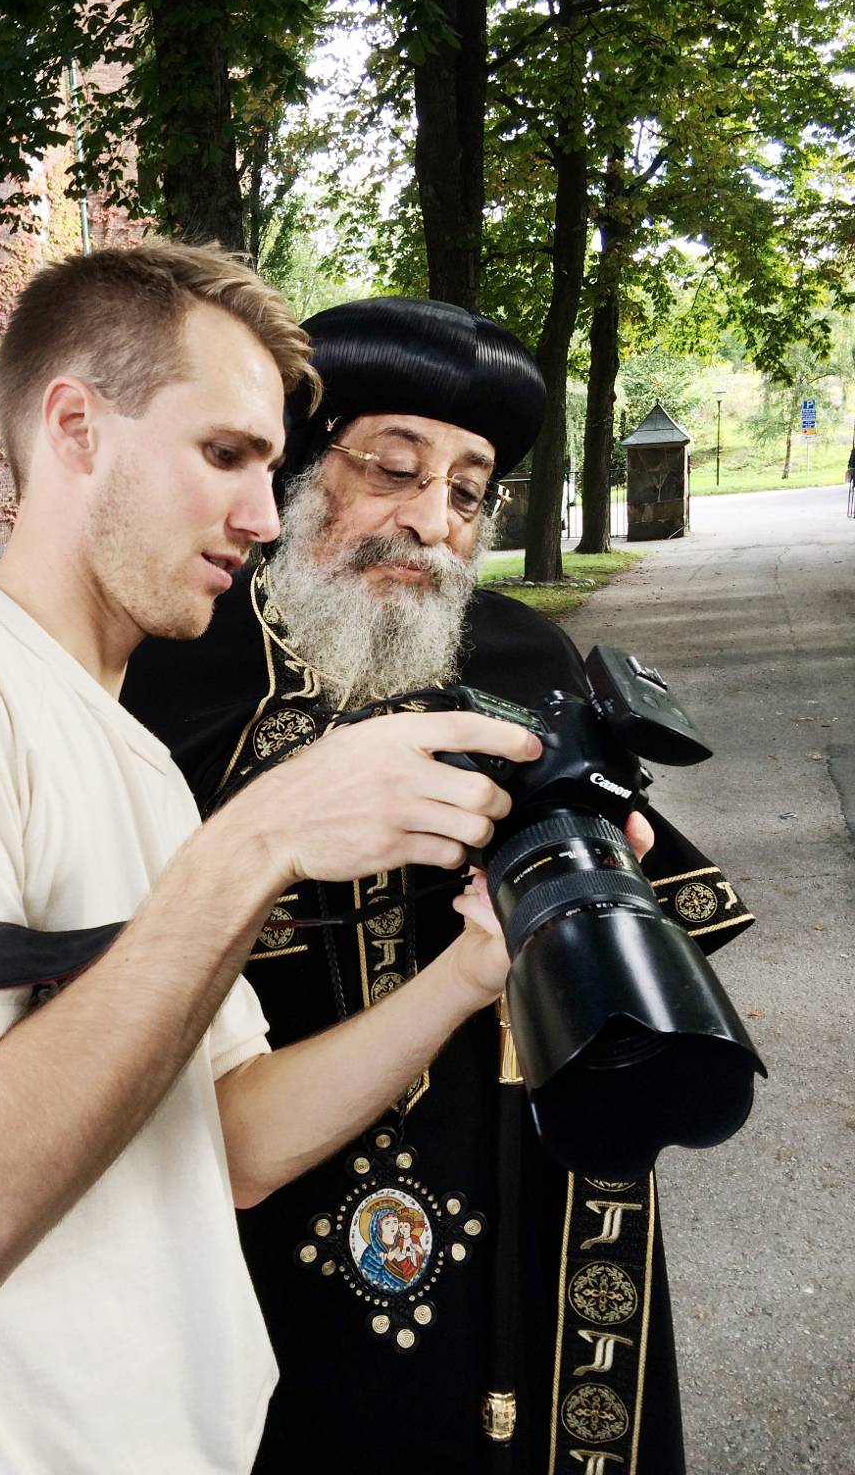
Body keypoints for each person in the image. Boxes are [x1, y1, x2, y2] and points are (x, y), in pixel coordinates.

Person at [0, 245, 575, 1475]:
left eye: (275, 468)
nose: (256, 513)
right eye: (224, 455)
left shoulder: (133, 763)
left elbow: (228, 1140)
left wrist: (467, 975)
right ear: (74, 424)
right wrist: (267, 835)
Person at [123, 295, 755, 1473]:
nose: (432, 523)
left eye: (467, 490)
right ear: (303, 470)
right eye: (393, 469)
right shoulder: (169, 678)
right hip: (268, 1181)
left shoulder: (521, 654)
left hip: (513, 1149)